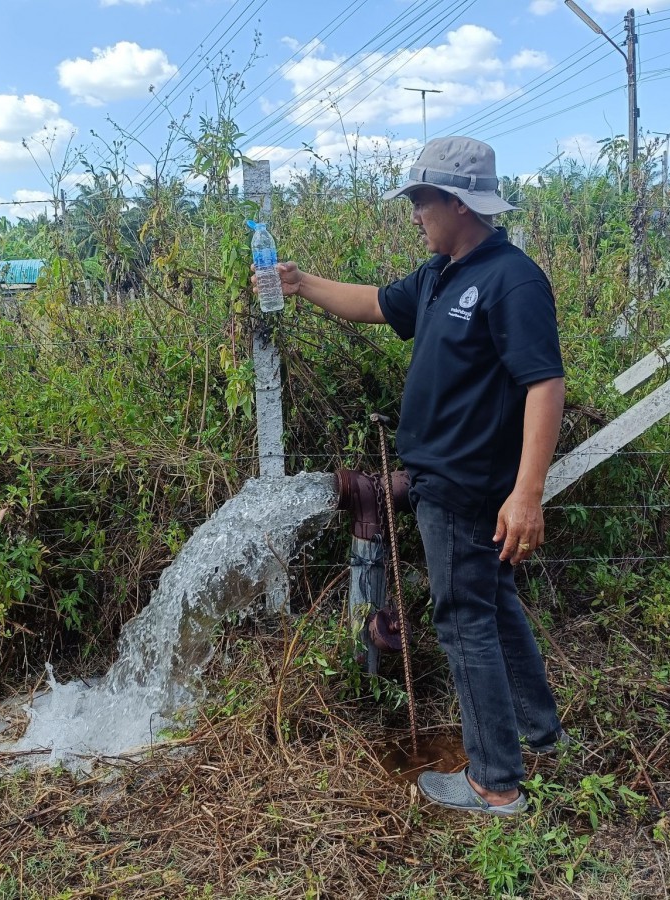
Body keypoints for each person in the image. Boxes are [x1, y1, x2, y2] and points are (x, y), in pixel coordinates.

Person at [253, 136, 567, 816]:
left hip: (469, 487)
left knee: (464, 624)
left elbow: (544, 385)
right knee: (496, 606)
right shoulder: (439, 275)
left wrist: (527, 493)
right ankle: (540, 734)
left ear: (458, 202)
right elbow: (372, 303)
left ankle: (495, 782)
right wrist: (301, 285)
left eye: (422, 201)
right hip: (443, 482)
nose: (415, 214)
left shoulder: (512, 280)